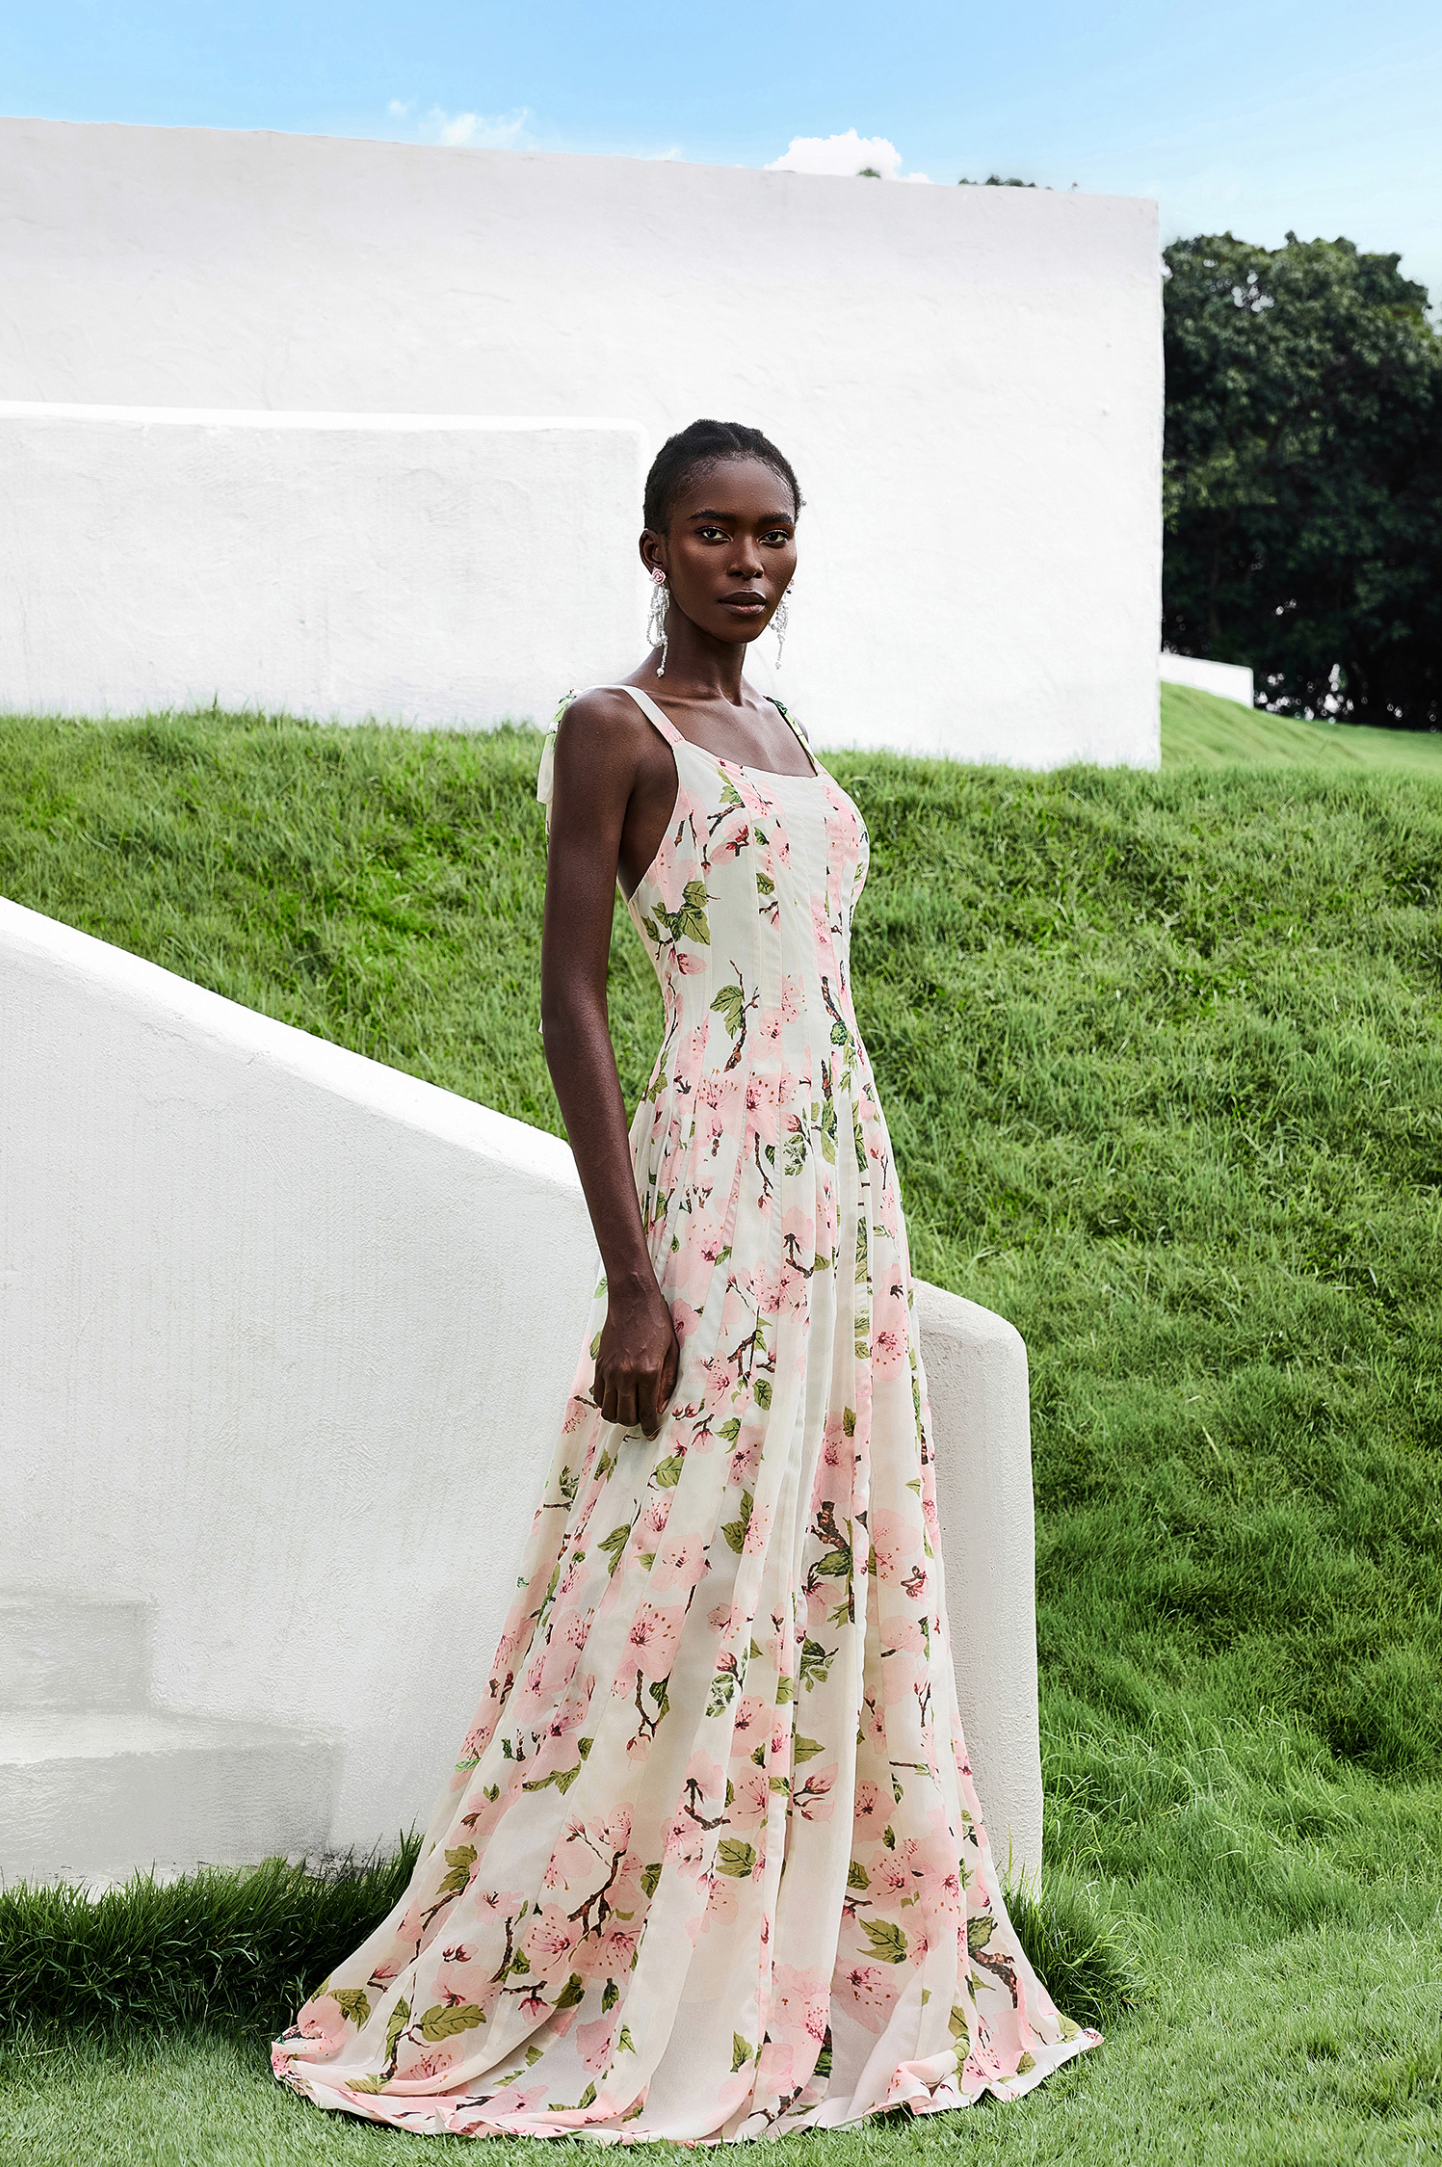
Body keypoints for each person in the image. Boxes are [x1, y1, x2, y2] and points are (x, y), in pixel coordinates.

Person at [272, 419, 1099, 2139]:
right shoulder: (612, 728)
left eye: (773, 531)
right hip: (709, 1183)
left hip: (843, 1188)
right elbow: (569, 997)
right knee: (672, 1552)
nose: (748, 561)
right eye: (712, 532)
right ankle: (605, 1947)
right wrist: (629, 1279)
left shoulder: (787, 735)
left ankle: (805, 1944)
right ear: (652, 547)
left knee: (829, 1544)